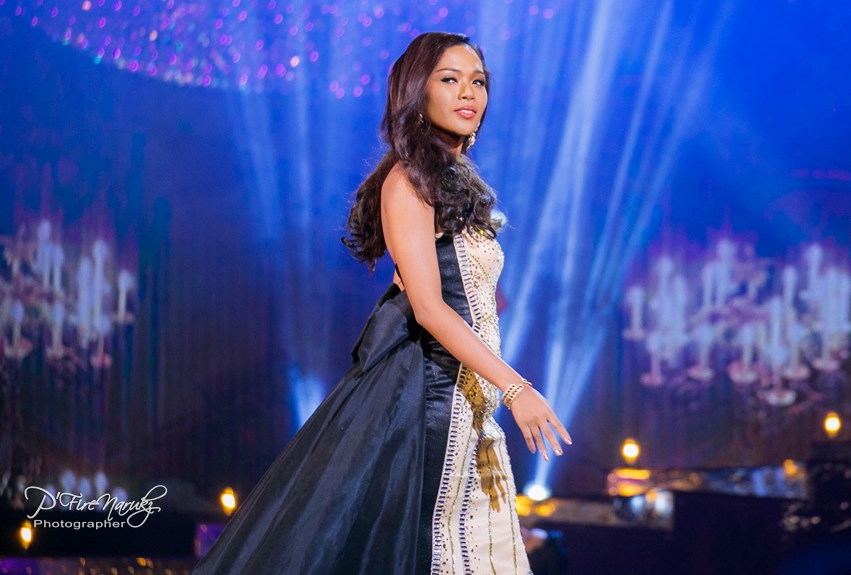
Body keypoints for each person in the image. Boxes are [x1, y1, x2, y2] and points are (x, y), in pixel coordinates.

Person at [193, 32, 571, 574]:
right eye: (450, 79)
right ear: (418, 90)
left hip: (469, 399)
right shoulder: (408, 181)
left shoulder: (455, 181)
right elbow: (430, 308)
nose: (469, 92)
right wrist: (517, 389)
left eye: (478, 81)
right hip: (426, 400)